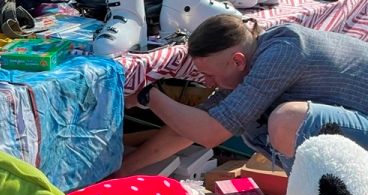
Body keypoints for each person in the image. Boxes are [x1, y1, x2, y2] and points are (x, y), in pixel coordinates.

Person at [118, 15, 368, 176]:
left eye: (210, 75)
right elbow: (188, 130)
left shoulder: (283, 53)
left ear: (237, 61)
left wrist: (148, 96)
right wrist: (120, 172)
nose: (207, 83)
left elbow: (210, 134)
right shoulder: (254, 60)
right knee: (272, 119)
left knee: (287, 120)